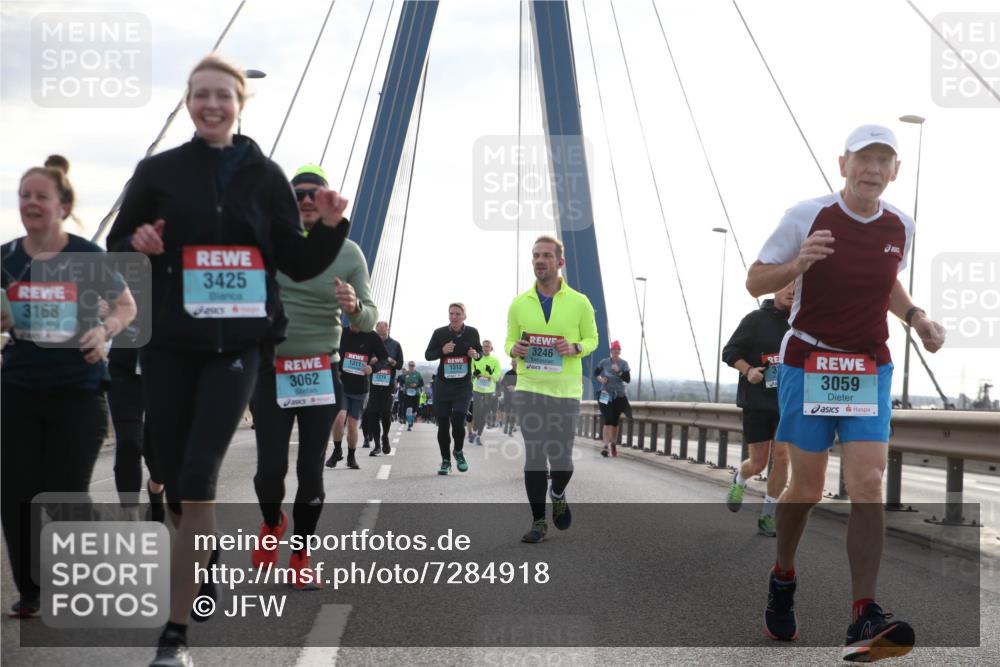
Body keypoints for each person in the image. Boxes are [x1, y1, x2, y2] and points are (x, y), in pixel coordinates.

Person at [106, 56, 349, 667]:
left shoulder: (264, 177)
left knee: (198, 474)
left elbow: (297, 261)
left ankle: (176, 633)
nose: (212, 105)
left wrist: (333, 225)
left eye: (223, 95)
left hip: (238, 350)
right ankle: (200, 561)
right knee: (165, 464)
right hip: (171, 345)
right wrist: (139, 243)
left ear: (240, 103)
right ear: (189, 102)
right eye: (201, 95)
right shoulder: (158, 172)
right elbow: (119, 244)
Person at [746, 124, 945, 661]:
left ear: (895, 171)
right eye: (864, 159)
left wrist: (916, 317)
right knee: (806, 488)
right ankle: (783, 575)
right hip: (808, 359)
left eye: (884, 161)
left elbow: (888, 285)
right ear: (843, 163)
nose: (873, 170)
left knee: (868, 481)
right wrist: (797, 265)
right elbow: (755, 280)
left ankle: (864, 615)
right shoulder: (806, 215)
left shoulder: (901, 225)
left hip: (867, 366)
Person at [1, 156, 138, 618]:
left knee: (64, 496)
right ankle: (33, 592)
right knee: (15, 494)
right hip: (17, 391)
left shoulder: (86, 257)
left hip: (77, 392)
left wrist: (105, 331)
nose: (31, 203)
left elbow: (126, 307)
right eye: (25, 196)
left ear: (62, 205)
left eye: (41, 196)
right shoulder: (5, 260)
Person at [249, 163, 374, 588]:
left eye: (313, 194)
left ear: (326, 202)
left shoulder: (349, 252)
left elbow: (370, 318)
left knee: (310, 468)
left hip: (321, 369)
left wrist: (354, 305)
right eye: (297, 193)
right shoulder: (267, 242)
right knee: (269, 470)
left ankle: (300, 556)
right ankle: (272, 521)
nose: (305, 199)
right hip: (270, 371)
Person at [506, 235, 597, 543]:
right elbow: (508, 341)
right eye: (535, 256)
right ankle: (538, 522)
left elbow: (593, 340)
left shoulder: (580, 302)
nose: (539, 261)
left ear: (560, 262)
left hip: (566, 392)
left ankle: (557, 492)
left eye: (546, 255)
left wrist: (575, 347)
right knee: (534, 455)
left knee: (562, 460)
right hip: (530, 388)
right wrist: (514, 348)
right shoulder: (519, 303)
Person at [721, 283, 794, 537]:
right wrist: (748, 370)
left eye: (799, 285)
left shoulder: (802, 324)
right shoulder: (755, 320)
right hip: (758, 402)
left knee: (783, 457)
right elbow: (729, 352)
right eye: (787, 283)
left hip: (788, 403)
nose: (793, 289)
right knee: (759, 463)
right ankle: (740, 478)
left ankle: (767, 516)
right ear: (775, 287)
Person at [425, 303, 483, 474]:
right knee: (443, 425)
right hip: (443, 385)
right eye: (451, 314)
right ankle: (445, 461)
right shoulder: (439, 333)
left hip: (463, 386)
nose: (454, 317)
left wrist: (476, 355)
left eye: (458, 314)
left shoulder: (472, 332)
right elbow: (428, 354)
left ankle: (458, 451)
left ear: (465, 316)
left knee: (458, 420)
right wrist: (442, 351)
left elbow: (479, 352)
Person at [329, 323, 387, 469]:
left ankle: (351, 457)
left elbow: (384, 358)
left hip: (360, 389)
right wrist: (335, 369)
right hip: (341, 384)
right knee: (339, 418)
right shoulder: (340, 332)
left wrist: (372, 368)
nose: (354, 323)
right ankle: (337, 451)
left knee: (353, 425)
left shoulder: (372, 336)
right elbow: (328, 351)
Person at [362, 321, 404, 455]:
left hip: (388, 383)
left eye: (383, 333)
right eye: (378, 333)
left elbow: (400, 365)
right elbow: (363, 360)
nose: (380, 335)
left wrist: (393, 362)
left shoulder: (395, 345)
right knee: (373, 413)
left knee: (386, 413)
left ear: (388, 330)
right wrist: (370, 361)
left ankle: (385, 436)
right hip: (374, 383)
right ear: (375, 330)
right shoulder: (370, 343)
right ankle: (377, 445)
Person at [594, 340, 632, 458]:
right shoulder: (604, 362)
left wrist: (619, 371)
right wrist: (600, 379)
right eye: (614, 350)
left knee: (615, 421)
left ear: (620, 352)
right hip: (605, 393)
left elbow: (627, 379)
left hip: (619, 395)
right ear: (611, 351)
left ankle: (613, 443)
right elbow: (596, 373)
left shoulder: (624, 364)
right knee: (608, 418)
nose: (616, 353)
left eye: (618, 351)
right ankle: (605, 446)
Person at [469, 339, 501, 445]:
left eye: (488, 346)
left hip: (489, 391)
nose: (486, 348)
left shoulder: (495, 361)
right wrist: (475, 373)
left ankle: (478, 436)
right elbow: (471, 370)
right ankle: (473, 432)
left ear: (491, 348)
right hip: (477, 389)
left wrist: (490, 373)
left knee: (484, 414)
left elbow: (497, 378)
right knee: (477, 412)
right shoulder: (476, 358)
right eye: (484, 346)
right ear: (482, 348)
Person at [398, 361, 423, 430]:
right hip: (407, 393)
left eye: (413, 365)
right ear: (408, 366)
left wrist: (416, 385)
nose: (411, 367)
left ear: (415, 366)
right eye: (410, 365)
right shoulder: (405, 374)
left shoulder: (418, 374)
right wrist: (402, 386)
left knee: (414, 410)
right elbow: (401, 381)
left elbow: (422, 383)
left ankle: (413, 417)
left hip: (416, 394)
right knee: (409, 409)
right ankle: (410, 424)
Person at [499, 366, 518, 435]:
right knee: (507, 412)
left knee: (514, 414)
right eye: (513, 363)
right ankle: (506, 425)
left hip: (517, 398)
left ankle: (510, 429)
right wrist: (508, 386)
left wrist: (515, 387)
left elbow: (524, 385)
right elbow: (502, 383)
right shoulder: (508, 373)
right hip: (508, 396)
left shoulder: (521, 373)